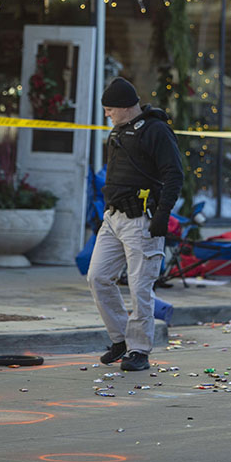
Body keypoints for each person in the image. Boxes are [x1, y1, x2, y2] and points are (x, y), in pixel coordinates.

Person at [87, 77, 184, 371]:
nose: (106, 115)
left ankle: (139, 349)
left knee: (140, 287)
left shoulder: (156, 131)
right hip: (114, 218)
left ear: (125, 107)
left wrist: (163, 215)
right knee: (97, 277)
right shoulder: (119, 131)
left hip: (142, 220)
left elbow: (174, 175)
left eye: (109, 109)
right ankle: (121, 340)